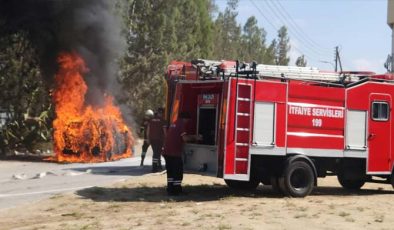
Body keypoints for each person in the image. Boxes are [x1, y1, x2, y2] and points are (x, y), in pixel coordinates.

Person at [162, 112, 201, 195]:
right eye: (187, 120)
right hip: (174, 153)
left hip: (167, 152)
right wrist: (195, 137)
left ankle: (170, 189)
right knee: (177, 172)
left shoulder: (174, 123)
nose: (187, 122)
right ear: (185, 119)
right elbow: (185, 138)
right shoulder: (181, 124)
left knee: (170, 172)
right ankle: (177, 190)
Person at [147, 108, 166, 172]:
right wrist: (166, 138)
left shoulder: (151, 120)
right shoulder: (162, 120)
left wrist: (148, 138)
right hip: (159, 139)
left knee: (155, 152)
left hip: (152, 139)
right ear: (162, 113)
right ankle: (155, 167)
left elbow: (148, 130)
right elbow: (164, 131)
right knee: (157, 153)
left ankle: (158, 166)